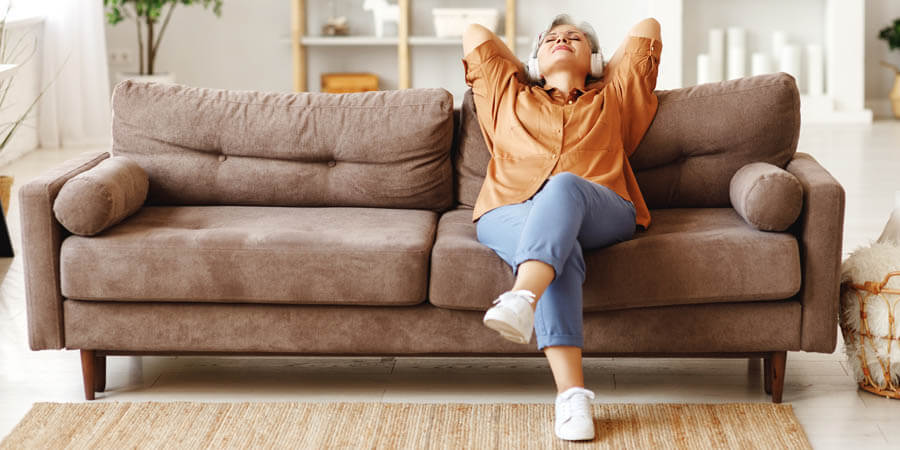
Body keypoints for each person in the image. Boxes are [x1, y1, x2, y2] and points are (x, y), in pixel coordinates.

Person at [461, 13, 662, 442]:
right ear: (534, 60)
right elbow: (475, 35)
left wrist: (598, 66)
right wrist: (530, 66)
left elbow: (648, 28)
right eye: (551, 39)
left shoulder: (615, 97)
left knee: (564, 186)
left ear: (595, 59)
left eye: (574, 39)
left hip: (600, 207)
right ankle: (572, 397)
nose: (562, 41)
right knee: (559, 250)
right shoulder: (506, 95)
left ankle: (522, 297)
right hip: (508, 210)